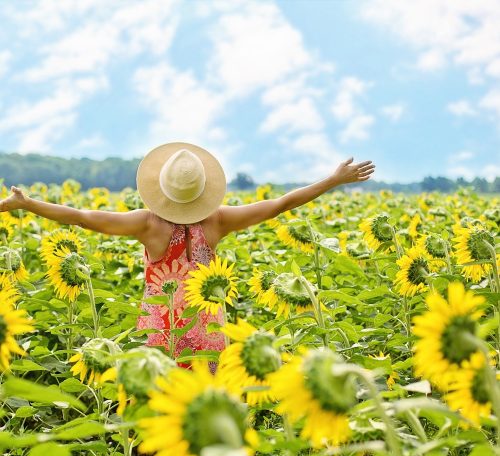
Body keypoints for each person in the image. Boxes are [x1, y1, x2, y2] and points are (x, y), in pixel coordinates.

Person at [0, 142, 375, 370]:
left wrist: (28, 203)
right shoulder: (218, 220)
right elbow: (279, 204)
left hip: (162, 330)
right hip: (208, 333)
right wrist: (332, 180)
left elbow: (83, 218)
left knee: (163, 407)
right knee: (206, 409)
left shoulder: (147, 224)